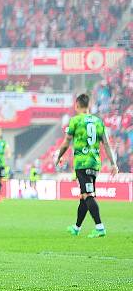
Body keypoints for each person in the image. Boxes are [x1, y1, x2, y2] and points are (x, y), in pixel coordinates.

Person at [56, 93, 118, 238]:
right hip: (95, 163)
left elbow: (66, 142)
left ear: (76, 105)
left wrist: (59, 156)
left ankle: (100, 227)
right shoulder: (98, 122)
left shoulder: (75, 121)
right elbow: (107, 144)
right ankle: (76, 228)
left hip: (82, 164)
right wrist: (113, 163)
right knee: (84, 196)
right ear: (89, 105)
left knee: (88, 195)